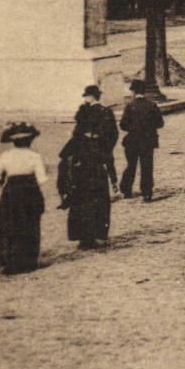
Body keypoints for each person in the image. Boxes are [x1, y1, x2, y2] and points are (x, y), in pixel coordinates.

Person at [58, 85, 119, 249]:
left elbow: (75, 138)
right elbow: (112, 136)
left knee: (81, 199)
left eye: (86, 96)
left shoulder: (84, 113)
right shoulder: (106, 112)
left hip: (82, 164)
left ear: (90, 97)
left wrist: (67, 154)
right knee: (98, 199)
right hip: (98, 162)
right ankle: (97, 233)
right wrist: (104, 149)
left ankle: (84, 236)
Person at [0, 123, 49, 275]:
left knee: (10, 226)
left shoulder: (6, 156)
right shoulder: (34, 156)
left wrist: (0, 187)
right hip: (30, 191)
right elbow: (42, 179)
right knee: (30, 225)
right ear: (30, 141)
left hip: (11, 192)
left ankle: (10, 262)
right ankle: (29, 262)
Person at [120, 79, 165, 202]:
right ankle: (147, 192)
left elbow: (123, 125)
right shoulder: (152, 105)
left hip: (132, 140)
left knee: (131, 165)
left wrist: (133, 128)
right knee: (147, 166)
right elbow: (160, 123)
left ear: (134, 92)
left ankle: (126, 190)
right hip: (148, 140)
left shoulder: (130, 106)